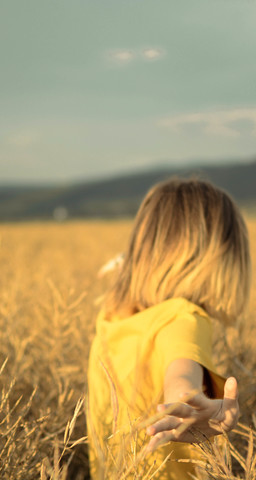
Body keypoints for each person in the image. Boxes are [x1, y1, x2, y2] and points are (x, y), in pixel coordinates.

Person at [87, 178, 251, 479]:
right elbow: (181, 375)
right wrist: (184, 400)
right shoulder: (185, 319)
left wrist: (124, 262)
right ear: (219, 259)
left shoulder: (114, 315)